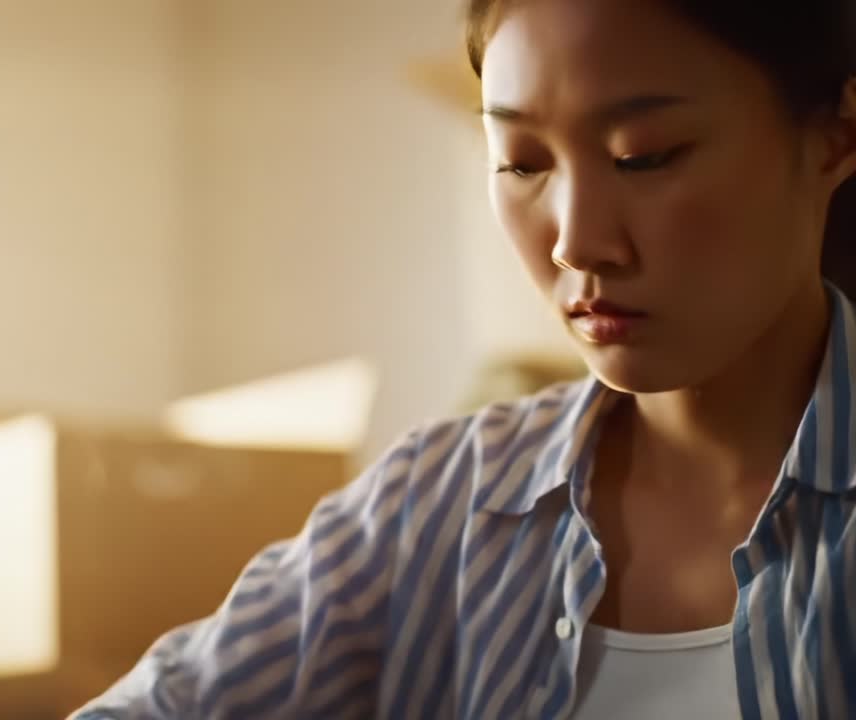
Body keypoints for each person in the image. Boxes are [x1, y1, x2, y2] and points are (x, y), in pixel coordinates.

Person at [72, 0, 856, 716]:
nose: (576, 241)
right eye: (522, 161)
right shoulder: (436, 503)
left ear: (833, 136)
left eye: (643, 156)